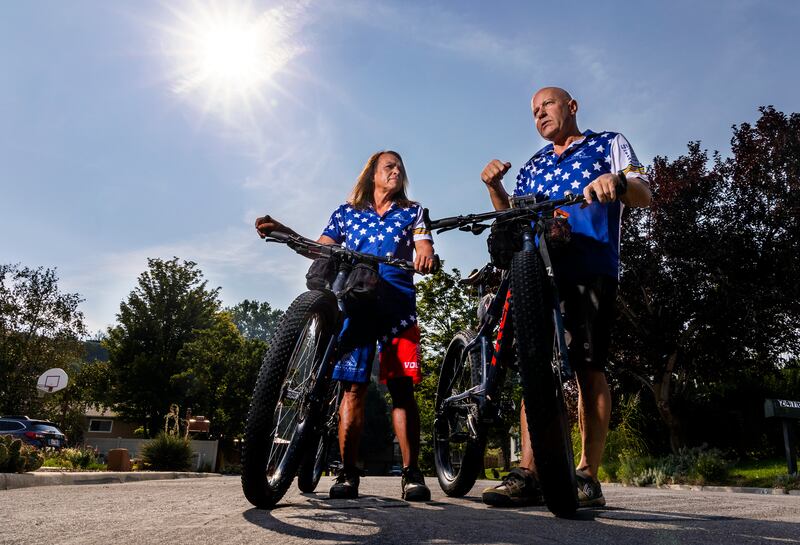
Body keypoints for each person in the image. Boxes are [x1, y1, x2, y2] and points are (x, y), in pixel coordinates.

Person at [479, 87, 652, 508]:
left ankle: (587, 476)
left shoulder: (607, 143)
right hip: (535, 270)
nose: (540, 115)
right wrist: (496, 188)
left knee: (587, 367)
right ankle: (530, 472)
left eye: (547, 105)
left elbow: (643, 190)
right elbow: (511, 219)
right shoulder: (534, 164)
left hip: (589, 264)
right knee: (535, 365)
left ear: (571, 107)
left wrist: (616, 181)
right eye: (534, 111)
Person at [255, 150, 436, 501]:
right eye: (389, 166)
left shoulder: (413, 211)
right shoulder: (346, 213)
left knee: (402, 390)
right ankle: (348, 472)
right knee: (353, 389)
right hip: (356, 301)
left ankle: (412, 474)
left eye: (400, 166)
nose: (397, 170)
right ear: (372, 174)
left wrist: (424, 254)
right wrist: (285, 231)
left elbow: (422, 240)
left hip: (398, 306)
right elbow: (320, 250)